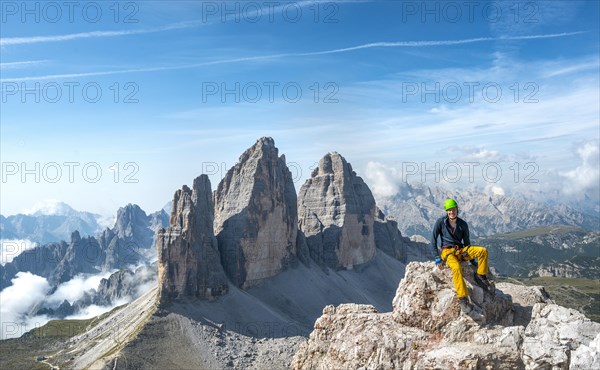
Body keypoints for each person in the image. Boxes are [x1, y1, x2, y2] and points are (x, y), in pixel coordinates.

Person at [430, 198, 493, 313]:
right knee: (456, 268)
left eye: (453, 209)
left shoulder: (463, 224)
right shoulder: (440, 222)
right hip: (447, 252)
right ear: (446, 212)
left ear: (457, 210)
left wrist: (472, 259)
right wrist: (437, 258)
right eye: (449, 210)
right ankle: (462, 298)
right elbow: (433, 240)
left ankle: (481, 275)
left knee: (483, 251)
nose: (451, 212)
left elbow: (467, 242)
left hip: (461, 250)